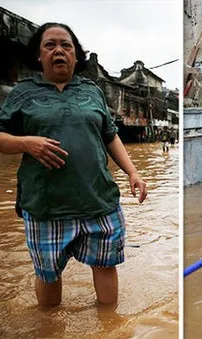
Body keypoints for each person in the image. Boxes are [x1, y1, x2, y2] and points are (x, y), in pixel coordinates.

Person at [0, 23, 147, 307]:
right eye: (50, 45)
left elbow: (110, 135)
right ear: (39, 56)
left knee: (106, 267)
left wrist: (133, 172)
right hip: (46, 207)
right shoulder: (22, 92)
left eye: (66, 46)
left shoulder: (92, 91)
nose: (59, 51)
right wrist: (26, 143)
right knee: (48, 275)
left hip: (99, 202)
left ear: (76, 55)